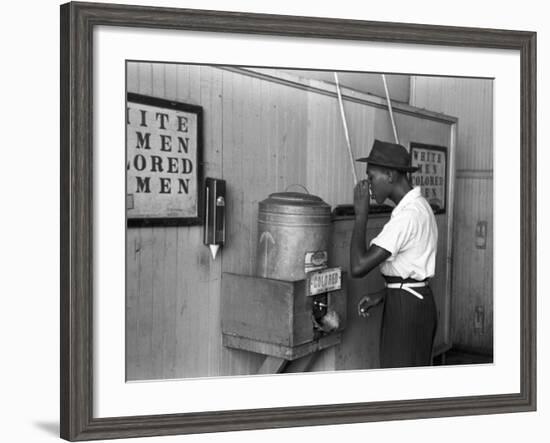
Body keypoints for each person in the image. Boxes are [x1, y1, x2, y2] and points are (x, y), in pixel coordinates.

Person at [350, 139, 438, 368]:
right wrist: (385, 293)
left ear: (390, 175)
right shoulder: (419, 207)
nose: (368, 185)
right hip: (410, 301)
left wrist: (360, 215)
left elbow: (358, 266)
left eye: (371, 177)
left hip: (407, 310)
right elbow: (411, 270)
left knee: (400, 380)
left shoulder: (408, 215)